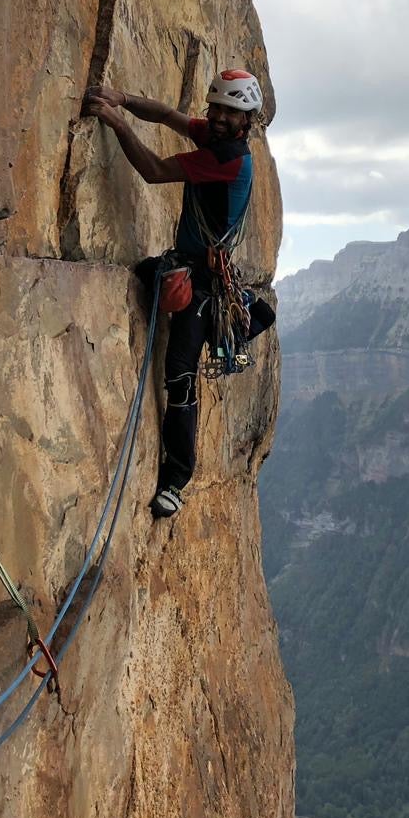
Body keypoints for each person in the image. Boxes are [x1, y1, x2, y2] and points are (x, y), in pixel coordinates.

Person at [82, 69, 276, 519]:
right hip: (189, 265)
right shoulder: (212, 136)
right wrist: (123, 97)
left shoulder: (228, 158)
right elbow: (169, 115)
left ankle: (176, 479)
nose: (220, 117)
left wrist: (116, 121)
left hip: (205, 284)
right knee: (149, 274)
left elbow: (152, 171)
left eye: (231, 112)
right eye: (218, 108)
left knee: (179, 374)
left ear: (245, 121)